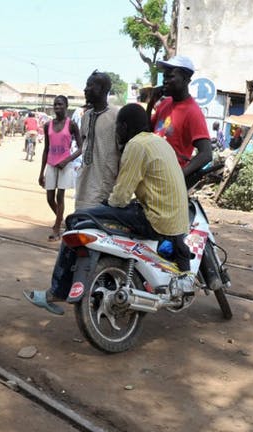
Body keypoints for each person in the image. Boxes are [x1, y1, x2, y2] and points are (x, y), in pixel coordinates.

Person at [23, 104, 193, 315]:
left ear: (123, 127)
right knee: (97, 216)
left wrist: (104, 206)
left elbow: (121, 196)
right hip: (176, 221)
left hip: (154, 220)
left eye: (117, 129)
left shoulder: (136, 146)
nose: (117, 133)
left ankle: (57, 290)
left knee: (76, 221)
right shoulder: (160, 143)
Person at [146, 55, 211, 189]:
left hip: (168, 185)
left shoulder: (193, 112)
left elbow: (206, 154)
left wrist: (178, 176)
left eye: (170, 77)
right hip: (152, 178)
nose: (165, 81)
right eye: (165, 77)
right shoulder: (164, 104)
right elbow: (145, 132)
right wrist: (151, 102)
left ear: (186, 80)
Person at [37, 95, 82, 240]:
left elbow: (81, 148)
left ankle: (56, 228)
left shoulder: (72, 125)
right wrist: (41, 173)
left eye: (60, 104)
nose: (57, 107)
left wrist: (67, 160)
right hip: (51, 164)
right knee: (50, 198)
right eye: (55, 105)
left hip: (65, 166)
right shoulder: (47, 125)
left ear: (66, 106)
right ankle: (61, 220)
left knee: (60, 196)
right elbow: (46, 149)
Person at [74, 71, 120, 210]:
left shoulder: (116, 116)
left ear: (102, 89)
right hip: (84, 184)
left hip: (105, 186)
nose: (85, 89)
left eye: (90, 86)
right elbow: (84, 142)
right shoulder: (86, 116)